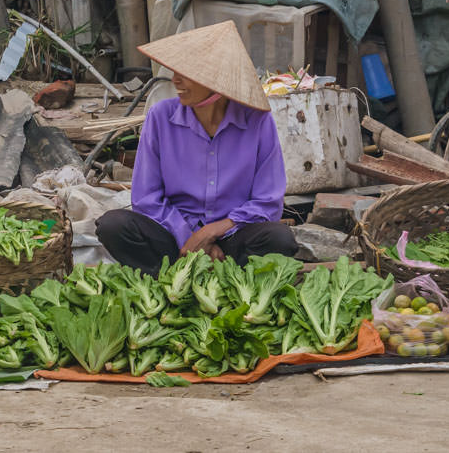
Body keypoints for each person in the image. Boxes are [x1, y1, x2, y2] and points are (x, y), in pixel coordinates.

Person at [95, 21, 298, 276]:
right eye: (175, 71)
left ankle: (223, 277)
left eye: (187, 73)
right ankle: (173, 278)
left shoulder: (257, 121)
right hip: (174, 240)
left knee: (280, 239)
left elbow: (267, 202)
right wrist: (190, 238)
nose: (176, 80)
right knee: (113, 225)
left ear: (217, 81)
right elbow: (146, 199)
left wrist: (212, 232)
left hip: (232, 237)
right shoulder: (160, 117)